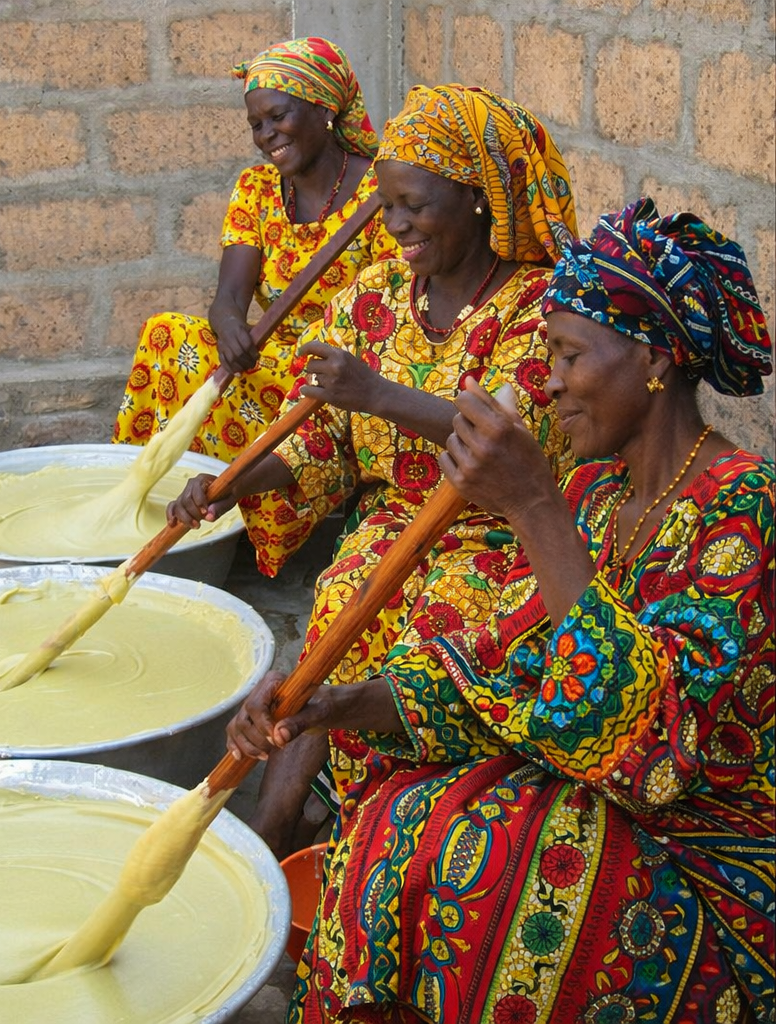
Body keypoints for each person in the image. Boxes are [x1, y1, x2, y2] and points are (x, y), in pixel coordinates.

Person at [227, 197, 774, 1024]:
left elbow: (652, 756)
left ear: (656, 360)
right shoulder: (595, 492)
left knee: (488, 874)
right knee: (387, 823)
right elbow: (501, 668)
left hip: (707, 859)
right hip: (596, 794)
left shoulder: (744, 510)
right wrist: (331, 705)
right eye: (547, 352)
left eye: (570, 355)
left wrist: (532, 506)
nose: (547, 381)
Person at [169, 85, 578, 856]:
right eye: (386, 206)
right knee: (338, 608)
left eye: (414, 207)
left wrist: (377, 393)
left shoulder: (539, 307)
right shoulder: (379, 298)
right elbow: (319, 436)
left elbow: (509, 439)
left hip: (503, 539)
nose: (394, 227)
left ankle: (380, 834)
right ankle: (278, 825)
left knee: (424, 641)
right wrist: (228, 487)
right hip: (396, 520)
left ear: (478, 198)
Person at [113, 36, 399, 460]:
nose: (266, 135)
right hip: (268, 360)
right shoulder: (257, 189)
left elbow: (391, 313)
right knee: (166, 333)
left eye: (278, 116)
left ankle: (230, 502)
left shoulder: (382, 190)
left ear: (323, 107)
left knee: (245, 392)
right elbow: (229, 297)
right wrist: (230, 327)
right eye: (256, 125)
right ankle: (149, 484)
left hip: (338, 375)